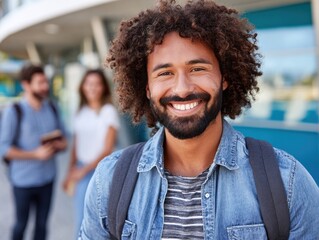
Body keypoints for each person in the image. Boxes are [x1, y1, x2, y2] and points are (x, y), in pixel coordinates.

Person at [79, 0, 319, 239]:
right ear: (147, 88)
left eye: (197, 69)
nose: (182, 89)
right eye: (165, 73)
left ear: (224, 77)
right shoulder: (109, 182)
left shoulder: (288, 181)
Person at [0, 64, 67, 240]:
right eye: (40, 83)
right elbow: (4, 148)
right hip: (23, 181)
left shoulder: (52, 107)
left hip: (47, 178)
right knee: (20, 225)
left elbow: (65, 139)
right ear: (26, 85)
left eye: (45, 81)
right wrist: (35, 155)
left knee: (42, 226)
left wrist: (59, 145)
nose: (45, 86)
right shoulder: (14, 112)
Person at [62, 69, 120, 238]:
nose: (92, 88)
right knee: (80, 219)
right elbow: (76, 146)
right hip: (82, 170)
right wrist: (70, 173)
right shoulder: (80, 112)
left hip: (100, 171)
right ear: (83, 87)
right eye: (89, 83)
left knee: (95, 222)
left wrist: (82, 171)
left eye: (97, 84)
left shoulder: (108, 111)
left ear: (103, 87)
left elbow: (107, 149)